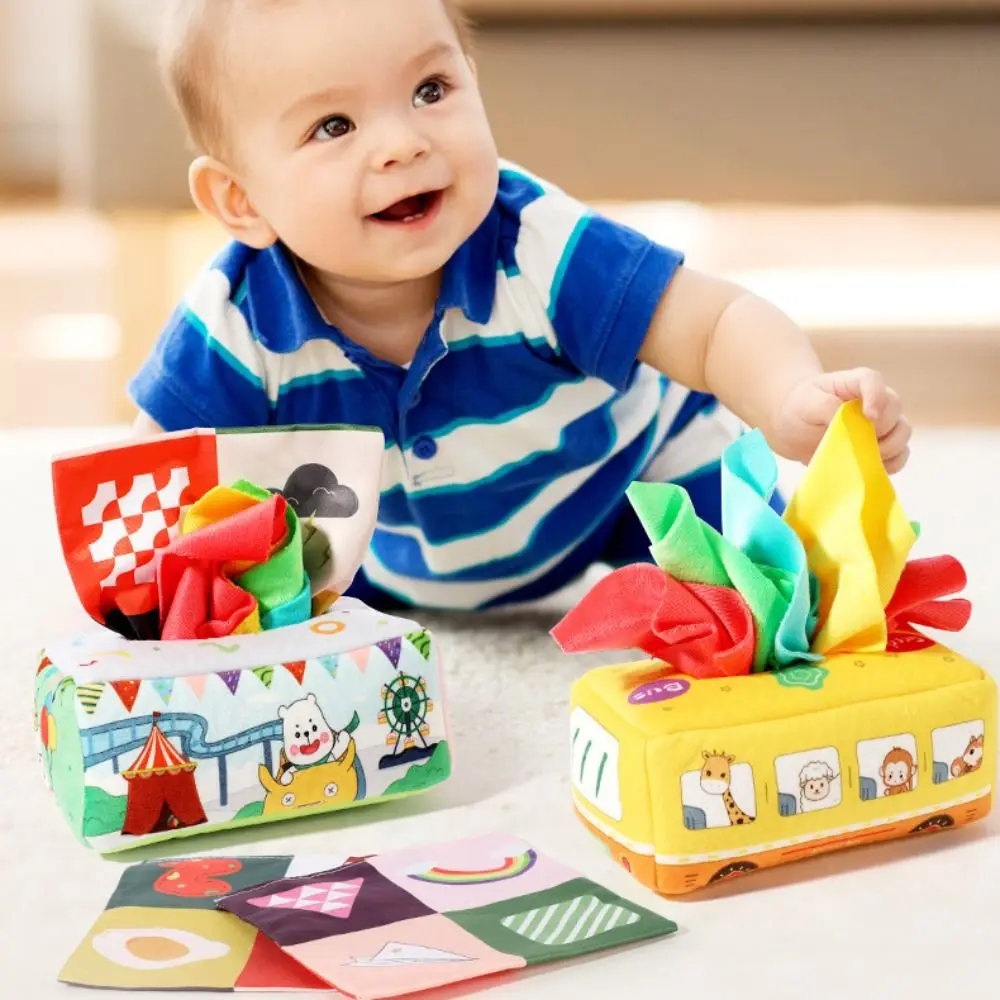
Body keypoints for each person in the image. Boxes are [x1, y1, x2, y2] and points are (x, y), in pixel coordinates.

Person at [130, 0, 911, 611]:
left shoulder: (536, 245)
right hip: (382, 554)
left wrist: (788, 398)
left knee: (771, 590)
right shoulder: (234, 321)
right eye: (333, 125)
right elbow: (156, 472)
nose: (402, 142)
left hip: (622, 486)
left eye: (430, 90)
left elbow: (714, 324)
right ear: (239, 200)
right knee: (274, 592)